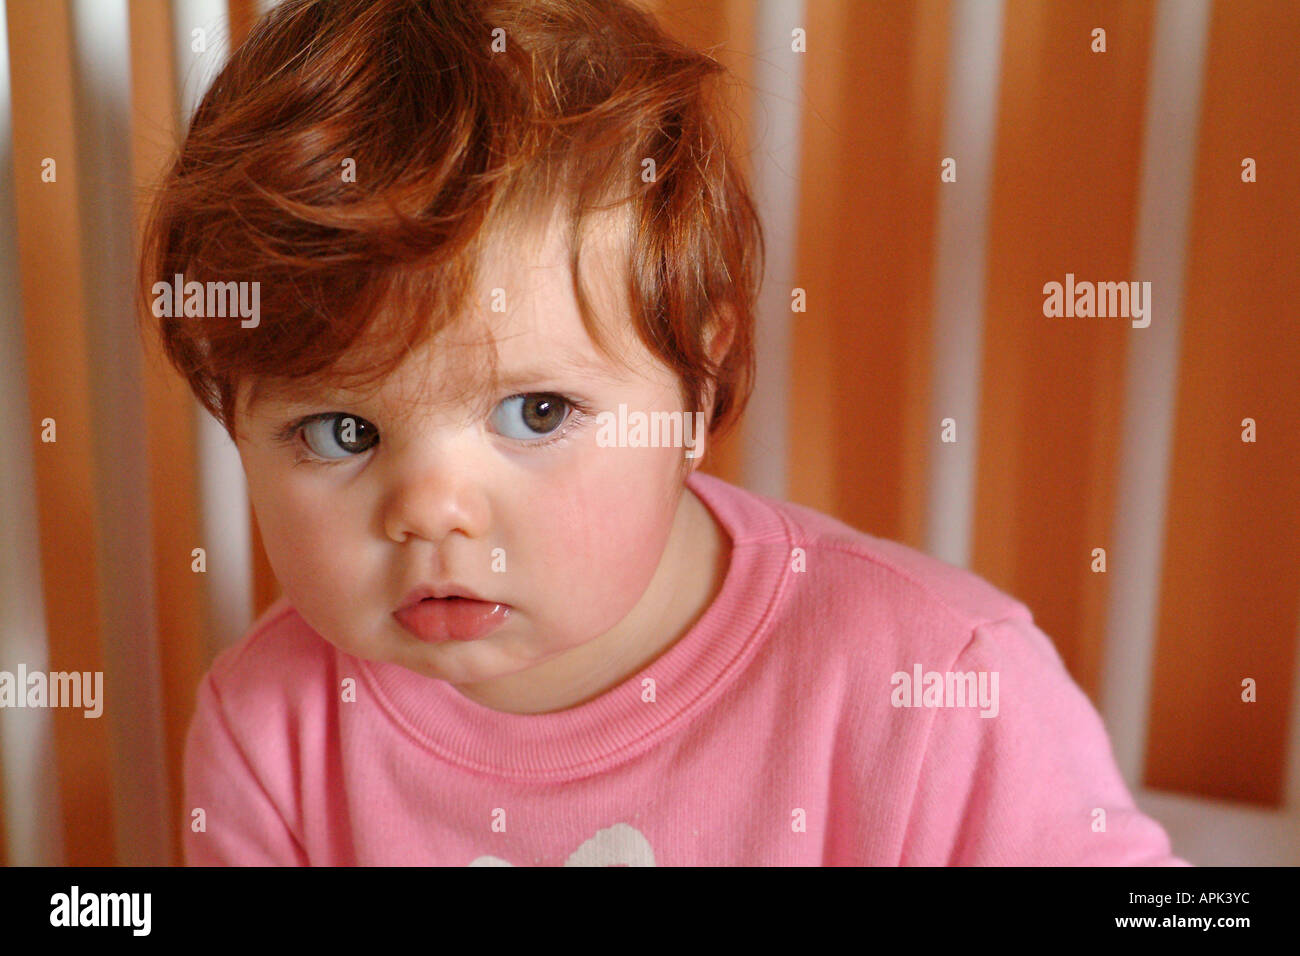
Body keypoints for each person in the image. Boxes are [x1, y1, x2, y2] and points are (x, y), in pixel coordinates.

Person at [141, 0, 1189, 866]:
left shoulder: (939, 685)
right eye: (338, 427)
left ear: (699, 379)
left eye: (536, 411)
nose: (430, 509)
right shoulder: (269, 727)